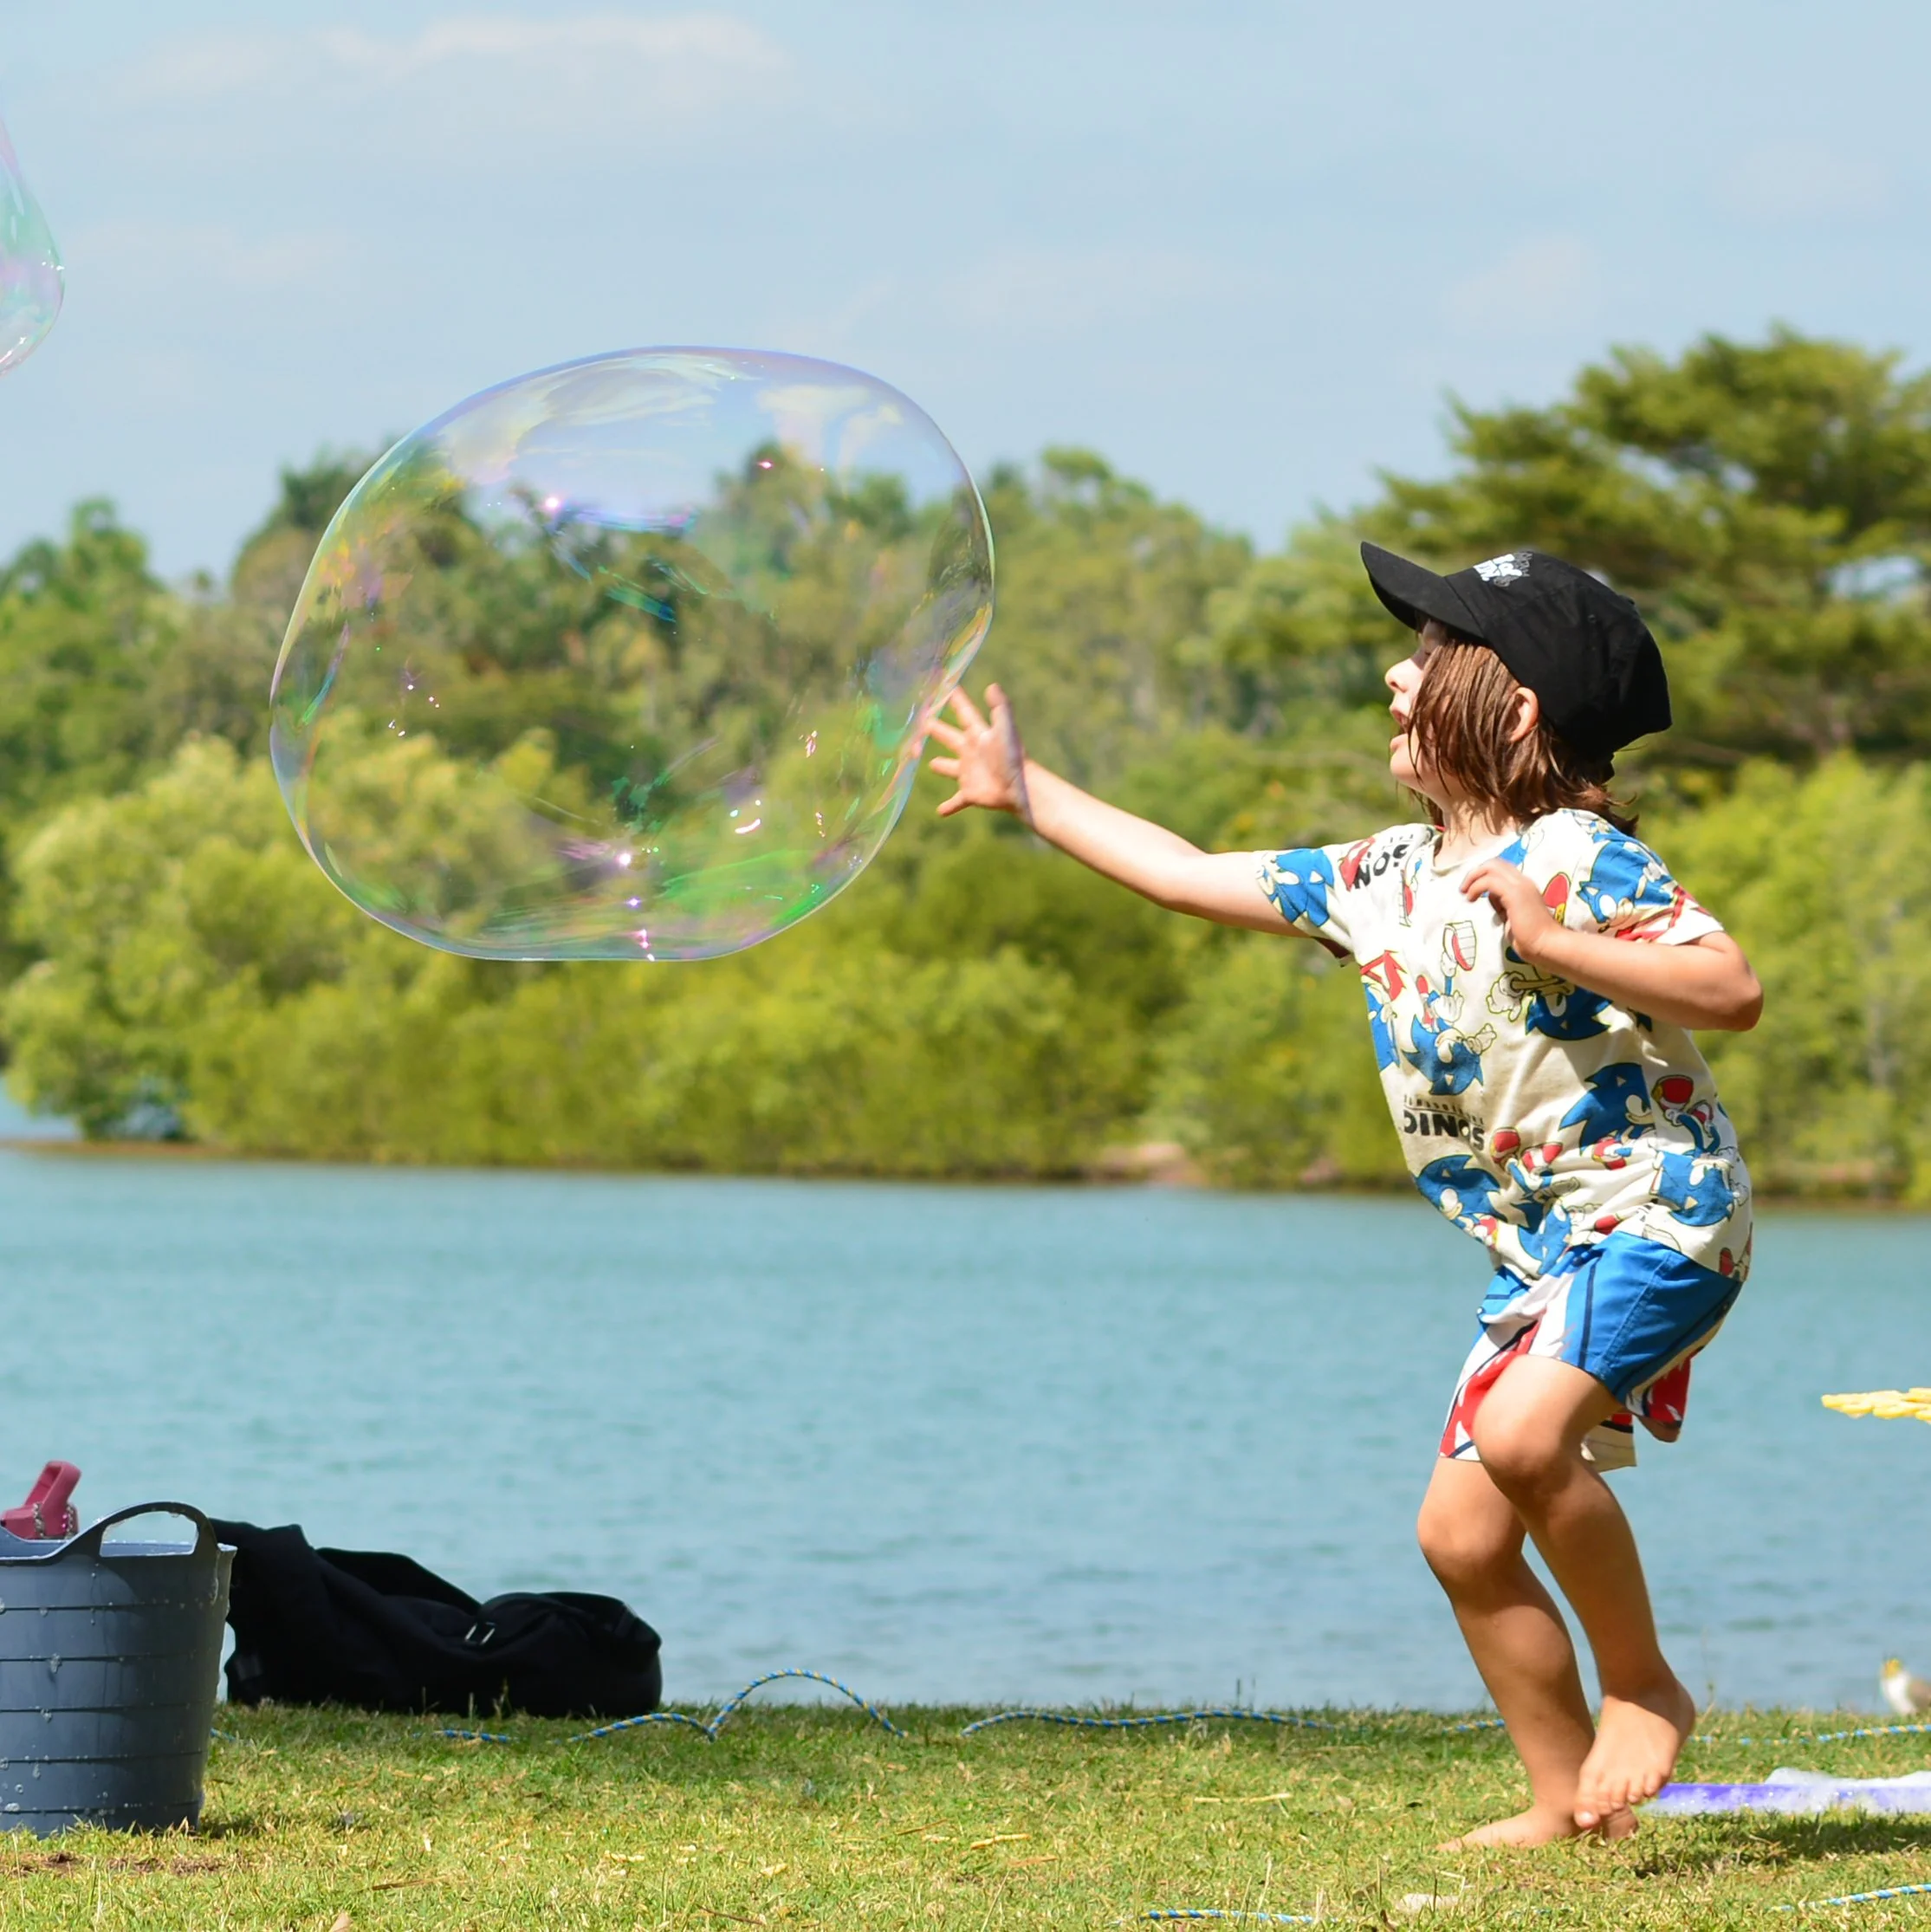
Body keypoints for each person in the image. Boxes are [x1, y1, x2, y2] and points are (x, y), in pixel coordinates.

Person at [925, 542, 1761, 1846]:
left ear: (1514, 706)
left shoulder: (1577, 857)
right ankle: (1562, 1804)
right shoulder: (1381, 879)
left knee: (1532, 1443)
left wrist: (1550, 940)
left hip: (1663, 1211)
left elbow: (1731, 988)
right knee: (1459, 1536)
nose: (1395, 671)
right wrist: (1030, 793)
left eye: (1428, 658)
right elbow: (1183, 871)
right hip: (1544, 1254)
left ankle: (1644, 1682)